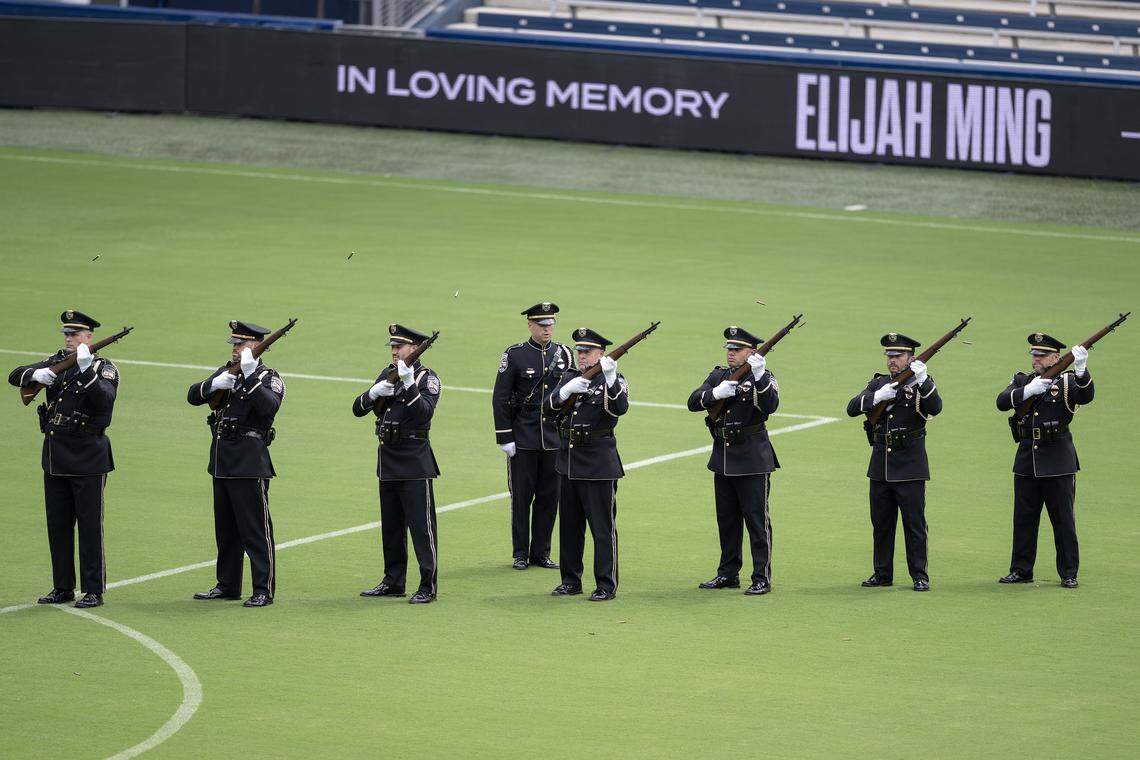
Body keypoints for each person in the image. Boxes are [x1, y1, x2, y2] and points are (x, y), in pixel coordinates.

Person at [8, 310, 119, 609]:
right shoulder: (55, 361)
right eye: (67, 334)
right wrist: (34, 375)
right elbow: (14, 375)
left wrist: (85, 371)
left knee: (89, 526)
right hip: (56, 456)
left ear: (89, 337)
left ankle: (93, 589)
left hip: (88, 456)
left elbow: (105, 400)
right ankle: (62, 586)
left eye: (75, 334)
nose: (69, 338)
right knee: (57, 525)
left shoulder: (103, 367)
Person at [187, 320, 284, 608]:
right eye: (235, 344)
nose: (236, 349)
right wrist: (211, 385)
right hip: (221, 458)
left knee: (255, 529)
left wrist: (251, 376)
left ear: (255, 346)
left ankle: (263, 589)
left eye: (242, 344)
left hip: (249, 459)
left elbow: (270, 407)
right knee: (226, 529)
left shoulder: (268, 377)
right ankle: (227, 584)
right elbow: (192, 396)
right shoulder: (225, 372)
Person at [996, 333, 1093, 589]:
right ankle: (1021, 570)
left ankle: (1069, 572)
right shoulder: (1022, 381)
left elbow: (1085, 396)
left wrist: (1081, 370)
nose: (1036, 360)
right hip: (1028, 458)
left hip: (1058, 460)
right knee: (1024, 518)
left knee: (1062, 520)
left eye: (1041, 355)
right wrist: (1027, 390)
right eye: (1034, 355)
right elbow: (1002, 402)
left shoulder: (1067, 382)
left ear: (1056, 357)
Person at [353, 324, 442, 604]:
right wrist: (373, 393)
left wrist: (408, 383)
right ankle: (393, 581)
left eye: (399, 346)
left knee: (422, 528)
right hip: (389, 460)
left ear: (414, 349)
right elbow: (358, 409)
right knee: (391, 527)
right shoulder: (386, 374)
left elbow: (423, 413)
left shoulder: (427, 378)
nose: (394, 351)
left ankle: (427, 585)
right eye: (392, 346)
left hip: (415, 462)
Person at [687, 326, 779, 596]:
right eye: (729, 349)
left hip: (752, 459)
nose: (731, 354)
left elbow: (771, 405)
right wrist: (715, 394)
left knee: (756, 521)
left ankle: (761, 576)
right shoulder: (719, 376)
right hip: (724, 458)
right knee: (726, 520)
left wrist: (759, 375)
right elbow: (694, 401)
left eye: (737, 350)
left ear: (752, 353)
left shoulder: (764, 377)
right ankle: (728, 573)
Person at [846, 333, 941, 592]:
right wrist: (877, 397)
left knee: (914, 525)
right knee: (882, 524)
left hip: (910, 466)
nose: (892, 361)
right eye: (889, 357)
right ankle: (882, 573)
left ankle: (919, 575)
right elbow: (852, 407)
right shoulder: (878, 384)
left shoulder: (922, 384)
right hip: (881, 465)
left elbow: (936, 406)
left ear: (911, 358)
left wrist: (922, 379)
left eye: (898, 356)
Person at [545, 327, 628, 602]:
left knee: (602, 529)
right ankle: (570, 581)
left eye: (587, 352)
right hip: (569, 462)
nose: (581, 356)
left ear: (601, 354)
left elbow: (620, 408)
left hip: (598, 464)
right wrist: (565, 391)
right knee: (569, 527)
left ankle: (606, 583)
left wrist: (610, 376)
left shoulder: (612, 380)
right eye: (579, 351)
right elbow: (547, 408)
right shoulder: (569, 377)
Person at [491, 301, 573, 570]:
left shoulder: (565, 355)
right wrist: (505, 436)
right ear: (530, 325)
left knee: (550, 498)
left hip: (553, 439)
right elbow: (501, 398)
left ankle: (542, 552)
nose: (547, 329)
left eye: (550, 324)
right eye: (541, 324)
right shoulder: (515, 355)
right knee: (522, 498)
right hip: (523, 438)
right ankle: (520, 553)